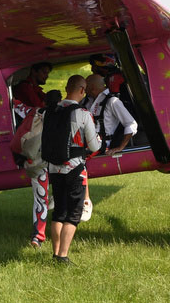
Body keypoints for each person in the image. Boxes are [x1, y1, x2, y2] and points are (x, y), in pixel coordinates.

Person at [41, 75, 101, 264]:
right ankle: (63, 256)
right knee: (74, 214)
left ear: (67, 87)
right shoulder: (83, 113)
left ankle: (55, 252)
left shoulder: (50, 111)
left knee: (59, 211)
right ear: (83, 90)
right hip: (75, 169)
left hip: (54, 169)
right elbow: (94, 146)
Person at [10, 89, 62, 248]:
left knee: (41, 199)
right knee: (63, 196)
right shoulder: (65, 115)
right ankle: (62, 233)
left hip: (37, 162)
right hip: (60, 163)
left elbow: (16, 105)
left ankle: (37, 237)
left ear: (44, 101)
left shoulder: (34, 112)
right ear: (59, 102)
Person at [85, 73, 138, 156]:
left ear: (92, 88)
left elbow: (131, 124)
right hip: (87, 146)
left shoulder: (112, 101)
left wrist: (120, 147)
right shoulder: (86, 102)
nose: (83, 89)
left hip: (104, 148)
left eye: (85, 86)